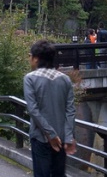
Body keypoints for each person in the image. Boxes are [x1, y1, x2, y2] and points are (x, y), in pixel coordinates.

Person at [24, 40, 76, 177]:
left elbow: (33, 109)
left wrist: (50, 134)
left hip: (40, 137)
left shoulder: (30, 79)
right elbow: (70, 110)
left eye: (30, 56)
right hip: (62, 137)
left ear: (36, 58)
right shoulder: (65, 79)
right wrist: (69, 136)